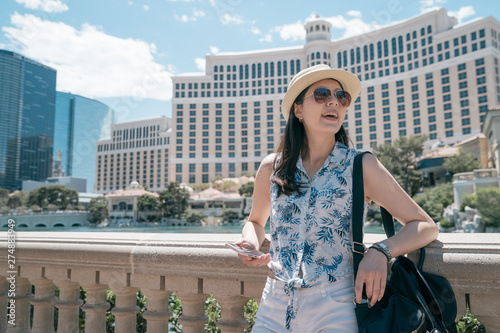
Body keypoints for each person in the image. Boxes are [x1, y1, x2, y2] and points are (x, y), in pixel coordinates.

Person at [235, 64, 439, 332]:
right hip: (274, 301)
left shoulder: (360, 165)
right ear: (298, 110)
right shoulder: (271, 167)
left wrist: (381, 250)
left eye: (341, 97)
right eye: (321, 94)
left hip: (336, 304)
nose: (333, 101)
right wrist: (249, 244)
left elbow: (425, 226)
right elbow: (256, 222)